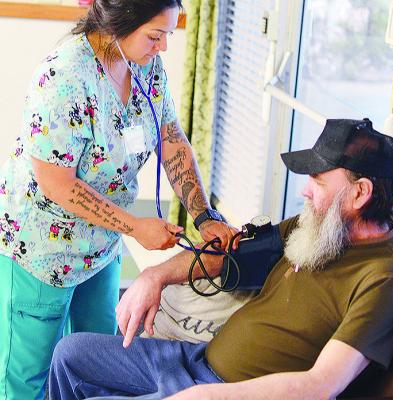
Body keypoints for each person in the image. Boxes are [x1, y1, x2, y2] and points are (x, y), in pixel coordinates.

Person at [49, 118, 393, 400]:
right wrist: (155, 276)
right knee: (70, 354)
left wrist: (208, 396)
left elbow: (320, 386)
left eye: (319, 181)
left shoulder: (382, 280)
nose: (305, 190)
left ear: (360, 193)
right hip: (195, 361)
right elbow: (229, 258)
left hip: (224, 390)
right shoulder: (318, 226)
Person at [0, 1, 238, 398]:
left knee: (91, 363)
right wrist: (135, 227)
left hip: (102, 247)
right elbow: (56, 182)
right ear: (119, 22)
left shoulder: (144, 66)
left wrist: (204, 215)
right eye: (155, 35)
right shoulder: (64, 76)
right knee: (28, 382)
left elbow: (172, 140)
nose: (163, 47)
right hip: (41, 251)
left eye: (168, 35)